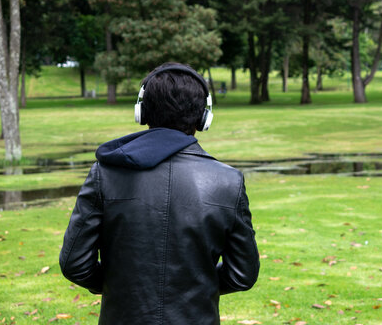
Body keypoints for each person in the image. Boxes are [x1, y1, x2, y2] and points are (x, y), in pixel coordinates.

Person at [59, 62, 260, 325]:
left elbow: (75, 263)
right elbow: (242, 274)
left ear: (142, 111)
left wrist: (118, 286)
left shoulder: (104, 173)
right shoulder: (228, 181)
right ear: (204, 118)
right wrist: (194, 287)